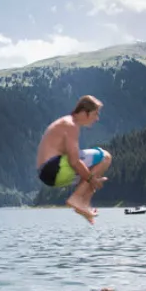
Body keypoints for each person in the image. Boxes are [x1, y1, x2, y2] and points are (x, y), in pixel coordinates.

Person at [35, 95, 112, 224]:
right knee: (105, 157)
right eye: (95, 114)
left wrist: (90, 177)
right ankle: (77, 199)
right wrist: (92, 179)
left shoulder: (66, 124)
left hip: (49, 175)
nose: (97, 118)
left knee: (91, 169)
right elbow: (74, 161)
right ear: (84, 112)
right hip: (53, 168)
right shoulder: (70, 125)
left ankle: (85, 205)